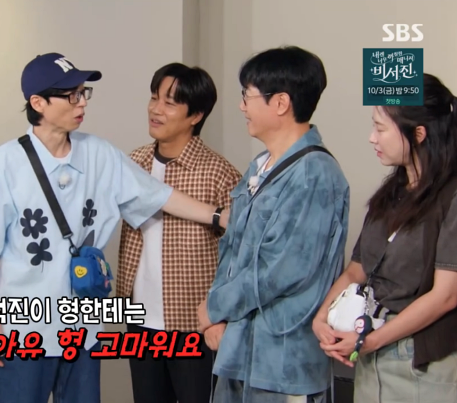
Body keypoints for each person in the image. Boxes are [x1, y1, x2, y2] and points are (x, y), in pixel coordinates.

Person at [0, 52, 229, 403]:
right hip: (23, 328)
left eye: (84, 92)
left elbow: (160, 196)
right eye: (72, 95)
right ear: (38, 103)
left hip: (82, 331)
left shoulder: (100, 154)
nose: (82, 102)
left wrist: (217, 215)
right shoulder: (5, 162)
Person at [196, 46, 350, 403]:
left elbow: (280, 270)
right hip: (240, 351)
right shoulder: (260, 166)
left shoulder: (314, 175)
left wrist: (216, 307)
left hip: (283, 363)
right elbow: (231, 249)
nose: (241, 107)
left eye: (247, 96)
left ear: (280, 103)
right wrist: (217, 317)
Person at [314, 73, 457, 402]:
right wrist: (323, 316)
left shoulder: (451, 196)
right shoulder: (391, 192)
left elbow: (446, 295)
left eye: (380, 128)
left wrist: (372, 340)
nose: (371, 138)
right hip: (371, 357)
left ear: (418, 134)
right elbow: (357, 269)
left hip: (422, 365)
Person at [117, 62, 242, 403]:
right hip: (139, 320)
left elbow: (239, 258)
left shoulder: (219, 173)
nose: (156, 109)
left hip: (194, 324)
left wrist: (222, 317)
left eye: (170, 102)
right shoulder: (134, 163)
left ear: (195, 115)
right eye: (154, 97)